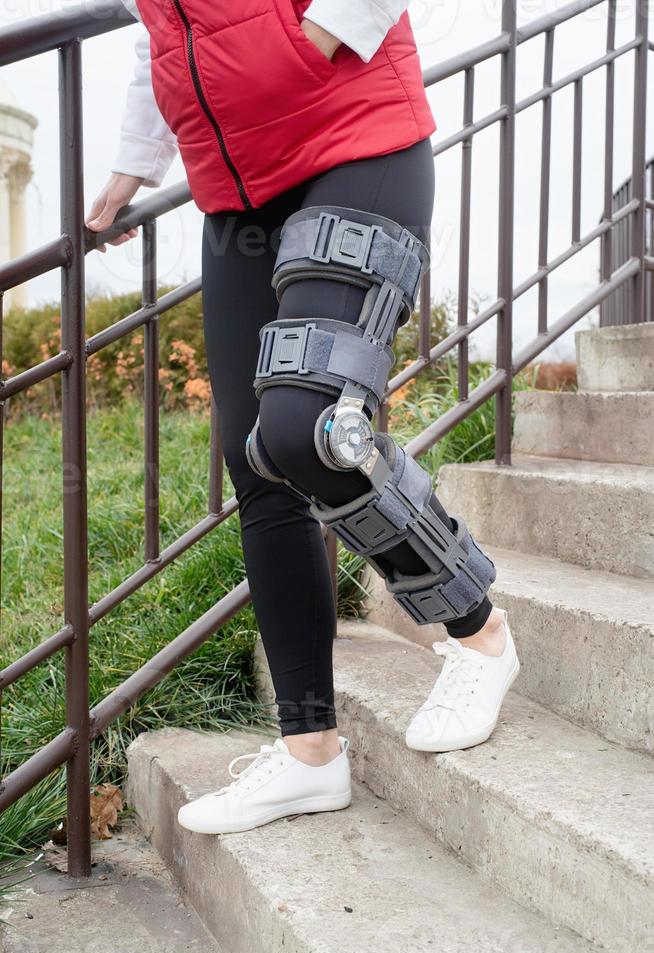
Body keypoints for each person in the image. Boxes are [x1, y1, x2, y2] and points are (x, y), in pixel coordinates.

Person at [87, 0, 520, 836]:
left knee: (309, 428)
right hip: (234, 187)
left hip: (352, 135)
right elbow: (164, 37)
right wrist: (130, 168)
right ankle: (309, 751)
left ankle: (478, 631)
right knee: (257, 462)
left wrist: (321, 34)